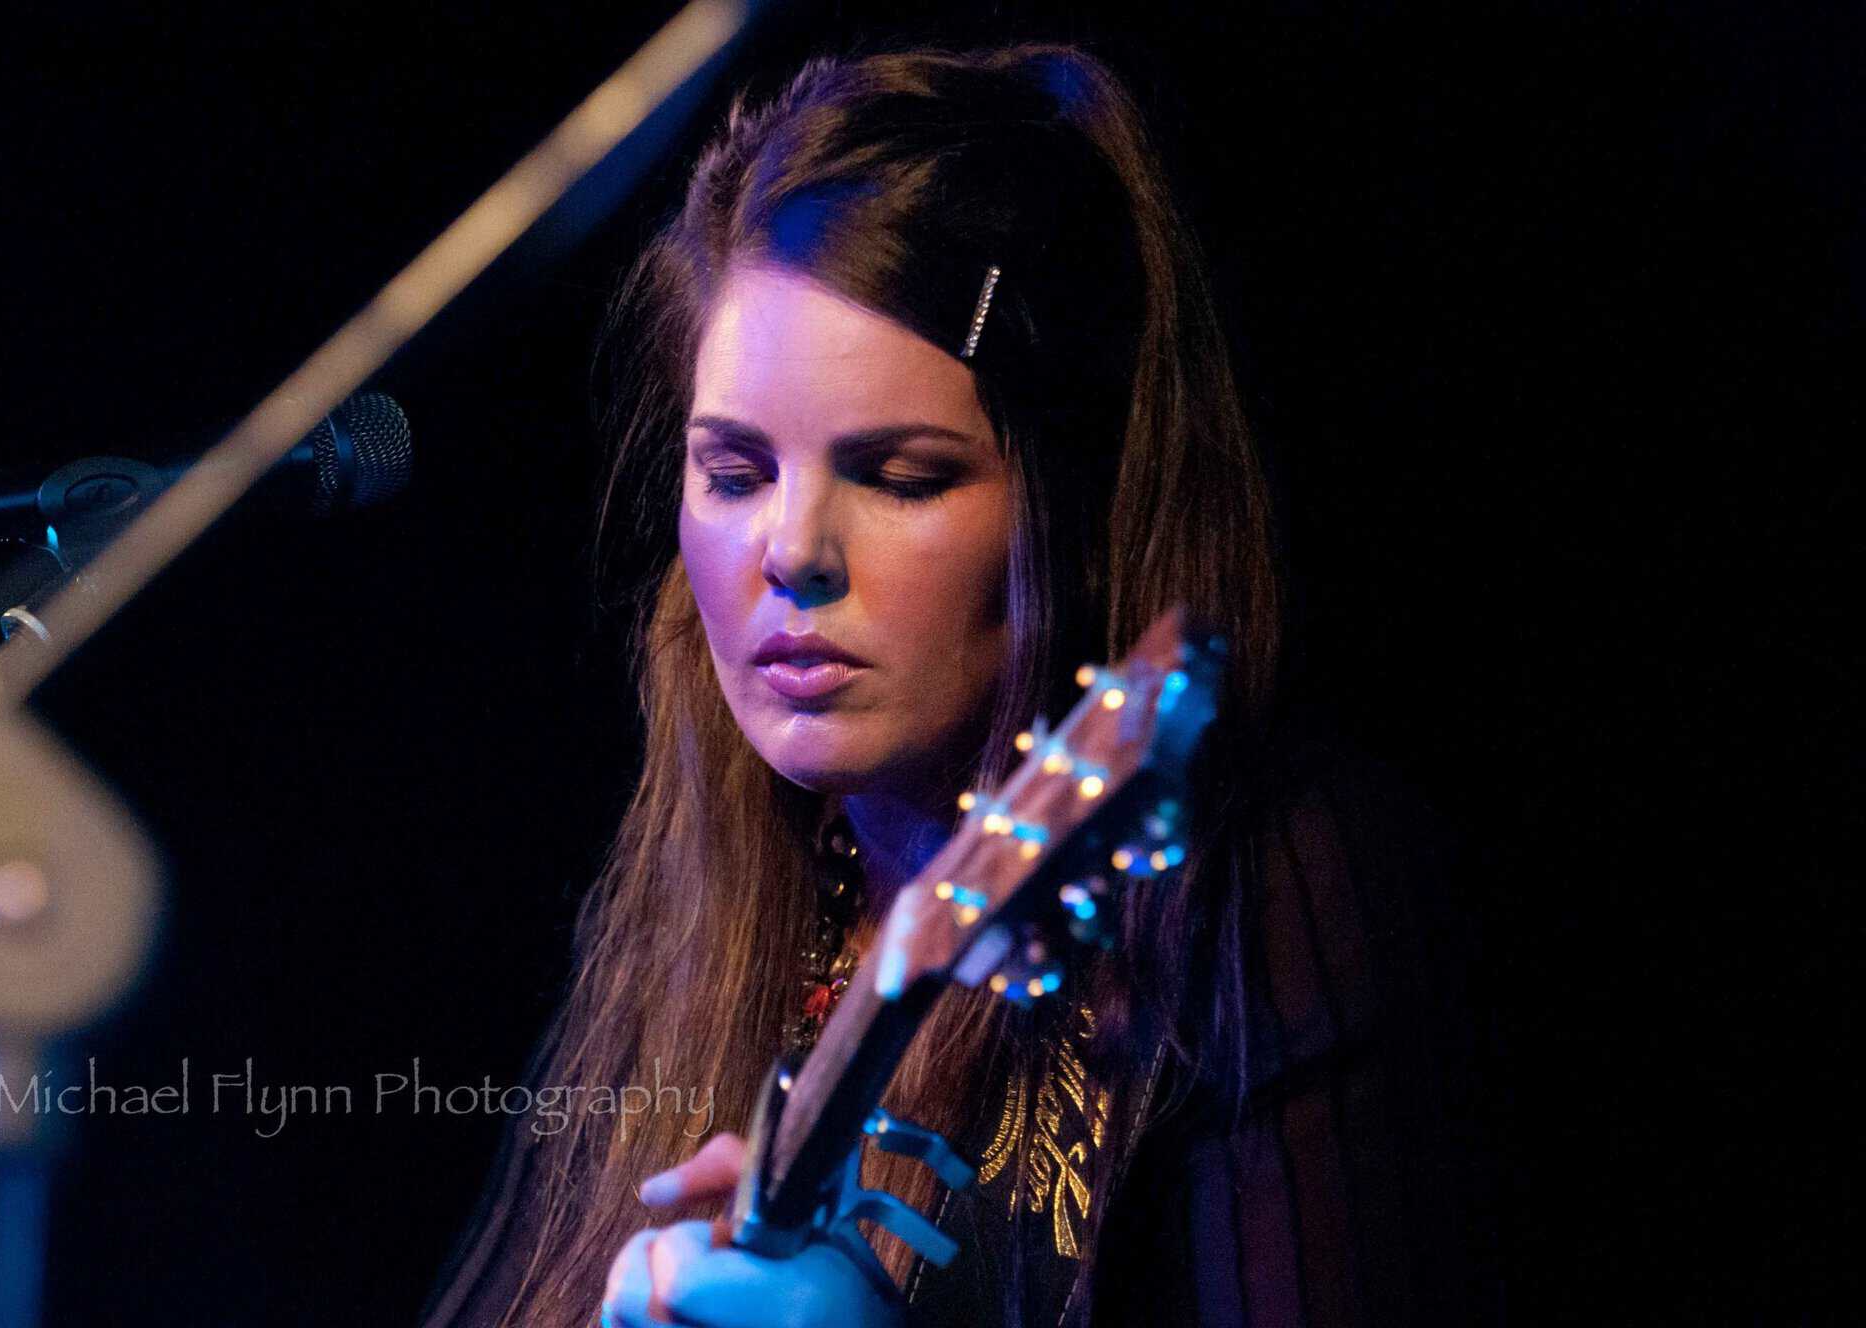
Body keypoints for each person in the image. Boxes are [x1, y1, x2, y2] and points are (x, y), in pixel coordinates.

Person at [421, 42, 1487, 1328]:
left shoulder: (1274, 883)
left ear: (1070, 508)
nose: (792, 552)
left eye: (902, 476)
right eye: (735, 474)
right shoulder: (716, 888)